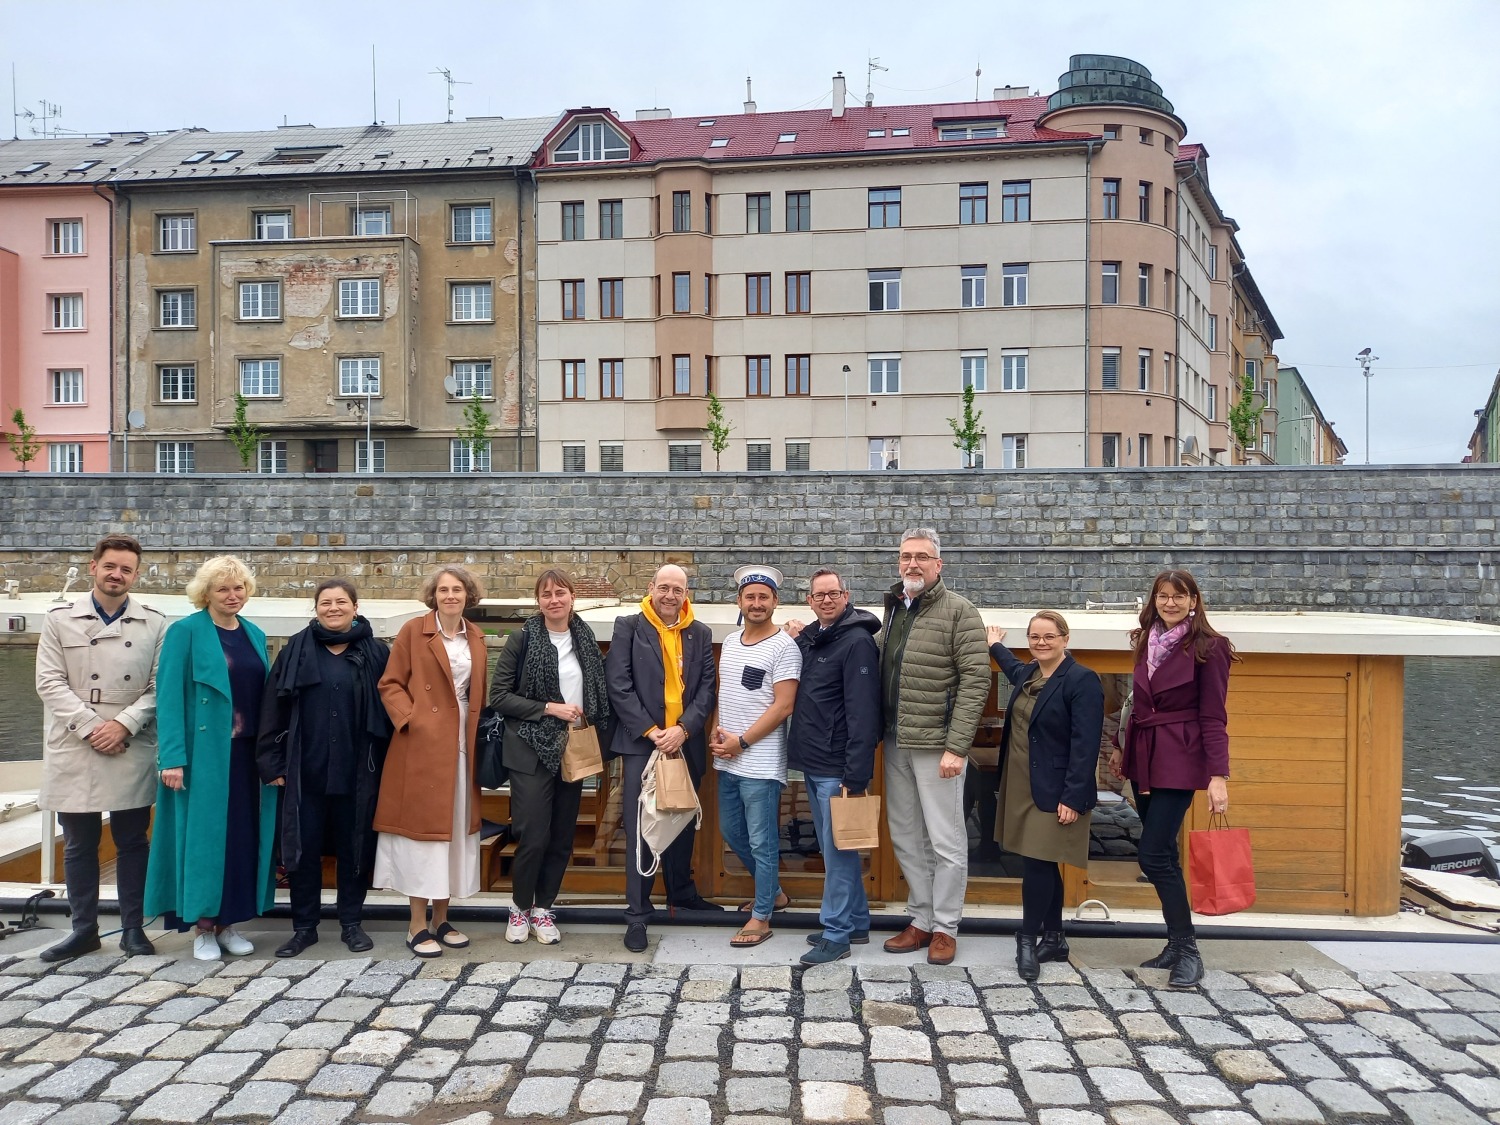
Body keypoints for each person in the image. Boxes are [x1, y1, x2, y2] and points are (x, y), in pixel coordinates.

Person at [35, 534, 167, 962]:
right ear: (93, 566)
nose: (117, 575)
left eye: (126, 569)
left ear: (135, 574)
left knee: (132, 840)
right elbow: (49, 682)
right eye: (110, 566)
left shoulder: (155, 622)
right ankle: (84, 929)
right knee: (78, 842)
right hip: (77, 741)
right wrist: (93, 727)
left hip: (129, 741)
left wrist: (123, 725)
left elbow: (158, 686)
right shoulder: (59, 620)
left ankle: (133, 929)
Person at [144, 555, 277, 961]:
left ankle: (228, 923)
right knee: (202, 842)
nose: (232, 595)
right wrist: (172, 759)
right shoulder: (185, 632)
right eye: (223, 589)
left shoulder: (254, 633)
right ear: (206, 593)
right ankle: (201, 926)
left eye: (239, 588)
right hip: (203, 756)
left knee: (241, 839)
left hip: (246, 755)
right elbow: (168, 698)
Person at [1109, 568, 1236, 988]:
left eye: (1179, 596)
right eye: (1163, 596)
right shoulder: (1145, 639)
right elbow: (1135, 701)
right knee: (1165, 853)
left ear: (1194, 601)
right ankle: (1174, 944)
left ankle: (1187, 949)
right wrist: (1120, 746)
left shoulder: (1210, 647)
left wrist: (1218, 774)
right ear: (1154, 600)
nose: (1170, 603)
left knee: (1152, 855)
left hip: (1180, 757)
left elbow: (1214, 715)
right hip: (1145, 754)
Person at [257, 579, 392, 958]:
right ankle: (304, 927)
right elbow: (273, 708)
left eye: (341, 602)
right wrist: (272, 762)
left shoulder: (376, 652)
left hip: (358, 770)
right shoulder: (295, 651)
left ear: (355, 606)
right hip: (306, 770)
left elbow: (392, 707)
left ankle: (351, 922)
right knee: (303, 849)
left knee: (355, 849)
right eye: (325, 602)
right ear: (316, 608)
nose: (333, 608)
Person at [878, 527, 989, 966]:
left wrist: (957, 747)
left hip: (937, 745)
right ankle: (919, 919)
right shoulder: (894, 609)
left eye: (922, 557)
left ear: (938, 565)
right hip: (894, 741)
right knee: (906, 836)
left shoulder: (960, 612)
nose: (912, 564)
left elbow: (976, 682)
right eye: (906, 556)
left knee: (945, 841)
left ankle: (945, 927)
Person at [490, 568, 612, 946]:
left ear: (573, 598)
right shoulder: (522, 638)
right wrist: (549, 708)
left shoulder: (586, 639)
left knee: (561, 836)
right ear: (538, 601)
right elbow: (499, 696)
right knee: (533, 834)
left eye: (560, 593)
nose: (554, 600)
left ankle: (543, 909)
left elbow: (599, 691)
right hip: (530, 750)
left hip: (573, 749)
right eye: (546, 594)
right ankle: (519, 908)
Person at [373, 565, 489, 958]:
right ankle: (415, 925)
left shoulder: (476, 636)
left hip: (462, 740)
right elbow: (389, 683)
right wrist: (412, 720)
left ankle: (442, 919)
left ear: (468, 595)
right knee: (422, 833)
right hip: (423, 743)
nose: (451, 595)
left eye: (458, 589)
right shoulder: (413, 631)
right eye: (443, 590)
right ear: (434, 596)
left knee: (454, 829)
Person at [606, 563, 720, 953]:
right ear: (651, 587)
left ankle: (681, 894)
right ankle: (638, 914)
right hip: (643, 744)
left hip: (684, 742)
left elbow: (707, 688)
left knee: (682, 818)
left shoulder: (700, 632)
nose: (671, 595)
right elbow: (618, 685)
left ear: (686, 594)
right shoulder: (629, 626)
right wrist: (652, 731)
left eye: (678, 589)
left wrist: (684, 729)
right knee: (643, 828)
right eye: (664, 587)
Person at [988, 613, 1104, 981]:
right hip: (1021, 784)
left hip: (1057, 789)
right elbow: (1009, 665)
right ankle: (1054, 937)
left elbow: (1086, 746)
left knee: (1037, 863)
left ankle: (1027, 938)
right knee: (1045, 862)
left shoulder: (1082, 680)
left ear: (1065, 639)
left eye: (1049, 636)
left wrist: (1072, 796)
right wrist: (994, 644)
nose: (1041, 642)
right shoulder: (1029, 674)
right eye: (1034, 637)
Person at [787, 568, 881, 966]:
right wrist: (801, 633)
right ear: (810, 601)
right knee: (834, 846)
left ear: (848, 596)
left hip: (837, 766)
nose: (826, 600)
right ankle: (857, 921)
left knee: (840, 851)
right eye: (818, 595)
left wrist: (855, 774)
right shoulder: (819, 638)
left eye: (834, 593)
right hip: (814, 761)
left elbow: (863, 714)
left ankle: (836, 933)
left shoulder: (858, 642)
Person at [711, 566, 801, 947]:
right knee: (732, 832)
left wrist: (742, 743)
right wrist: (718, 733)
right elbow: (724, 694)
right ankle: (775, 894)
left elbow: (783, 707)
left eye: (764, 597)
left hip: (759, 763)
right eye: (751, 597)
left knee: (762, 841)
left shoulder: (785, 647)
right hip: (727, 759)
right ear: (740, 602)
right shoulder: (731, 642)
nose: (757, 603)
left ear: (775, 602)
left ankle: (762, 916)